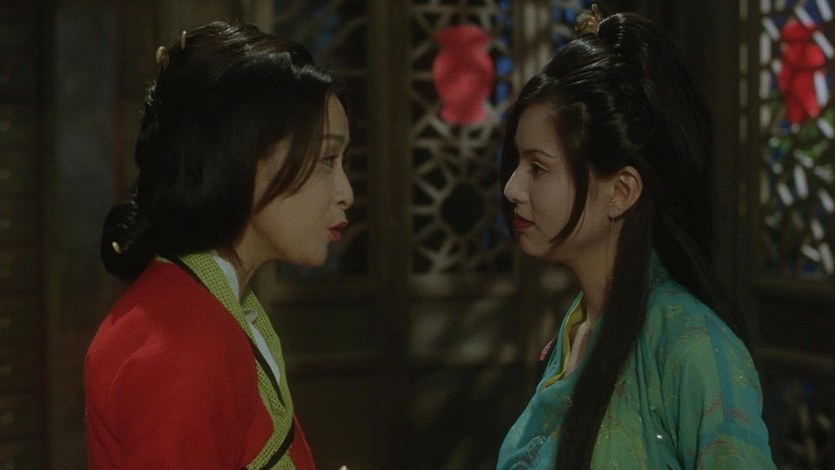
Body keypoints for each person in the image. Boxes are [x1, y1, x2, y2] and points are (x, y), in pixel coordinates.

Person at [497, 5, 775, 469]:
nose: (512, 188)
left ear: (621, 191)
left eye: (538, 168)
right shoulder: (579, 328)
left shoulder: (692, 345)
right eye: (517, 163)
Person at [85, 20, 353, 469]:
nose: (346, 192)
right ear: (244, 161)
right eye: (327, 159)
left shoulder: (207, 305)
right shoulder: (183, 345)